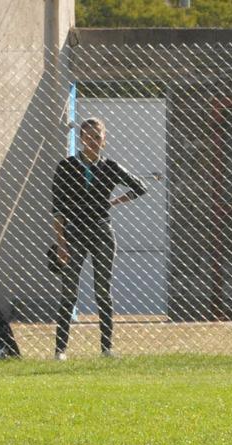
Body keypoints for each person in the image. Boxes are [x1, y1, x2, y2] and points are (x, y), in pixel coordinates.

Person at [50, 117, 147, 359]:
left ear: (104, 140)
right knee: (69, 291)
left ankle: (106, 348)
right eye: (88, 136)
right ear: (81, 139)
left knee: (103, 291)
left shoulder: (110, 166)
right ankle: (60, 350)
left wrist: (113, 202)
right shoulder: (66, 166)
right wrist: (61, 243)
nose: (92, 141)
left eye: (97, 137)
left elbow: (140, 187)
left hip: (102, 233)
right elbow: (57, 208)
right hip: (74, 233)